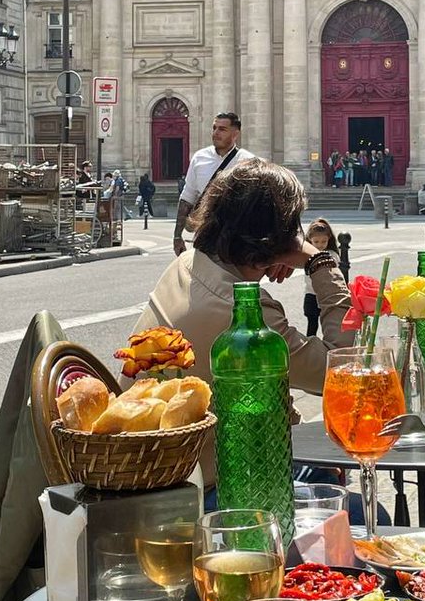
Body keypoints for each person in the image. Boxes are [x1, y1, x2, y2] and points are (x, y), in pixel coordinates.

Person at [132, 159, 354, 497]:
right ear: (277, 237)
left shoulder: (187, 265)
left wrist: (266, 258)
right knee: (361, 511)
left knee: (323, 468)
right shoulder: (246, 314)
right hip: (209, 487)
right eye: (294, 228)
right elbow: (339, 369)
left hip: (152, 472)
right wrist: (319, 261)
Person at [173, 112, 253, 257]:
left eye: (222, 129)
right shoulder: (199, 158)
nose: (216, 133)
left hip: (237, 239)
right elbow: (187, 198)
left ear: (235, 134)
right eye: (214, 128)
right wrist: (177, 236)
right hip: (204, 237)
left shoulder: (248, 161)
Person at [303, 218, 339, 337]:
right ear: (310, 240)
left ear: (329, 239)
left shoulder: (331, 255)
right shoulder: (306, 254)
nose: (320, 245)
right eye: (316, 242)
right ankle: (309, 347)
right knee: (312, 325)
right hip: (311, 294)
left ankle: (326, 347)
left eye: (324, 241)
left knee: (327, 325)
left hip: (326, 294)